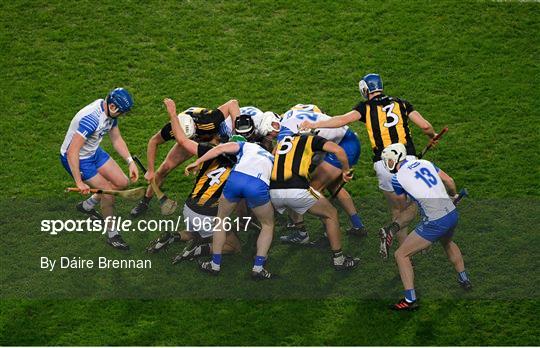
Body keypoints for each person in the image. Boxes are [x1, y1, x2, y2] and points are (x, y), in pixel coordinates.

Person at [300, 74, 438, 246]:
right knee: (414, 205)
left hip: (384, 164)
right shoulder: (402, 103)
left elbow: (341, 120)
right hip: (407, 160)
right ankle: (409, 232)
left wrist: (313, 125)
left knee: (396, 208)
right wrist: (432, 136)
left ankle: (403, 249)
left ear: (365, 89)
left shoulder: (364, 107)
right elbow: (425, 126)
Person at [378, 143, 472, 311]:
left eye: (390, 161)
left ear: (398, 158)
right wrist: (453, 195)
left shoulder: (396, 178)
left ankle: (409, 300)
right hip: (451, 214)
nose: (389, 164)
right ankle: (464, 278)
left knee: (401, 255)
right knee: (448, 243)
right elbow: (449, 181)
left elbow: (402, 204)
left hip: (435, 221)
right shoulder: (426, 163)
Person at [145, 98, 241, 260]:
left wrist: (172, 113)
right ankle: (197, 251)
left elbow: (183, 140)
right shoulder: (243, 161)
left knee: (196, 232)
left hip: (189, 207)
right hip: (208, 213)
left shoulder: (207, 151)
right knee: (234, 246)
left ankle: (173, 236)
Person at [129, 99, 240, 217]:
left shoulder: (209, 121)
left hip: (215, 140)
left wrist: (236, 134)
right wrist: (151, 170)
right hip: (188, 140)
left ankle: (217, 200)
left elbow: (233, 103)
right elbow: (153, 141)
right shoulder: (172, 128)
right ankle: (144, 202)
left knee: (221, 170)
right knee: (164, 168)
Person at [185, 137, 276, 280]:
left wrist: (197, 161)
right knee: (267, 225)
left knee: (220, 221)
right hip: (257, 184)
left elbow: (219, 149)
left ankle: (215, 264)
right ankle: (258, 267)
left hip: (236, 179)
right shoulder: (273, 159)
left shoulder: (246, 146)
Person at [60, 88, 137, 250]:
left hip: (93, 151)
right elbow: (71, 152)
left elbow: (116, 139)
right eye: (122, 112)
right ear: (114, 107)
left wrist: (130, 161)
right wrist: (79, 182)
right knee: (108, 194)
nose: (122, 115)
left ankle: (87, 205)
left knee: (122, 182)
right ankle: (113, 235)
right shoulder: (92, 119)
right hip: (78, 159)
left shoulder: (109, 111)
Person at [278, 105, 366, 244]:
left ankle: (319, 233)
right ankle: (357, 225)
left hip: (342, 146)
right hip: (345, 140)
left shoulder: (284, 136)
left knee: (311, 190)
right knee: (333, 186)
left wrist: (345, 170)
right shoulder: (292, 114)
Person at [270, 132, 360, 270]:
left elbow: (271, 158)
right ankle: (339, 260)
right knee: (331, 213)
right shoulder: (310, 139)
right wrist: (346, 171)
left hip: (275, 191)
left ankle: (301, 234)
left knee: (292, 201)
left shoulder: (281, 143)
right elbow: (339, 150)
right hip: (298, 190)